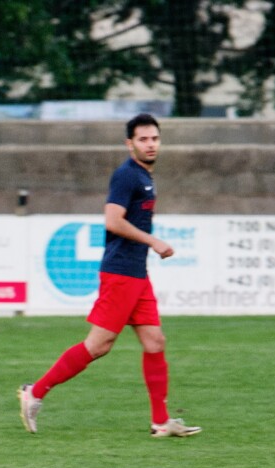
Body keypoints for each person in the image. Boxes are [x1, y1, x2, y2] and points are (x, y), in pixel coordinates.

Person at [18, 114, 201, 438]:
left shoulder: (144, 176)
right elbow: (113, 221)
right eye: (143, 139)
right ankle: (35, 392)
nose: (151, 144)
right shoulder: (127, 176)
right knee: (98, 346)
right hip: (120, 274)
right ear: (129, 143)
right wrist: (153, 241)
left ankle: (161, 421)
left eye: (154, 139)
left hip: (136, 273)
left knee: (155, 341)